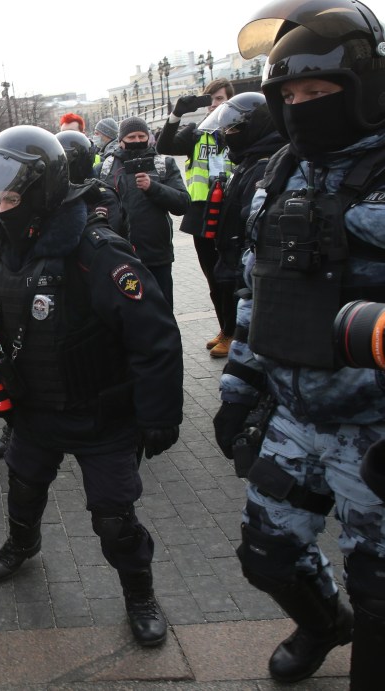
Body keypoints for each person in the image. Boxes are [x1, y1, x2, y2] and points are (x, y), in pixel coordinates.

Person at [0, 125, 183, 648]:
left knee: (115, 522)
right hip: (35, 413)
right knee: (23, 488)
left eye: (11, 197)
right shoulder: (2, 250)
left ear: (38, 194)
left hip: (102, 418)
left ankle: (139, 594)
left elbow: (156, 338)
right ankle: (21, 544)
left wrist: (159, 415)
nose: (0, 208)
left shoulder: (96, 254)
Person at [214, 2, 385, 687]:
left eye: (317, 93)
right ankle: (321, 622)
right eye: (289, 95)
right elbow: (258, 294)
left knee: (378, 591)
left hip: (373, 426)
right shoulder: (280, 173)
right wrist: (238, 390)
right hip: (292, 413)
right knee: (266, 555)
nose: (301, 106)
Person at [196, 92, 285, 359]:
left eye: (233, 128)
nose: (226, 134)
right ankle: (229, 331)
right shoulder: (248, 160)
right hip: (232, 256)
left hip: (245, 264)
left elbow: (252, 222)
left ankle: (237, 340)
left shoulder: (263, 165)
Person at [156, 77, 235, 355]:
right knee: (213, 277)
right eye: (211, 99)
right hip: (202, 213)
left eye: (221, 99)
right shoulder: (196, 132)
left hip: (231, 210)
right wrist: (177, 113)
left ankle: (234, 332)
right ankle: (226, 328)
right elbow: (164, 146)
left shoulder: (237, 130)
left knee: (230, 276)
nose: (215, 105)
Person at [97, 116, 190, 307]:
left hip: (157, 254)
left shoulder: (164, 163)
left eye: (142, 135)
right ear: (121, 140)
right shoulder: (106, 167)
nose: (137, 140)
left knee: (162, 309)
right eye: (131, 137)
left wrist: (154, 187)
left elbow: (182, 203)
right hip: (119, 255)